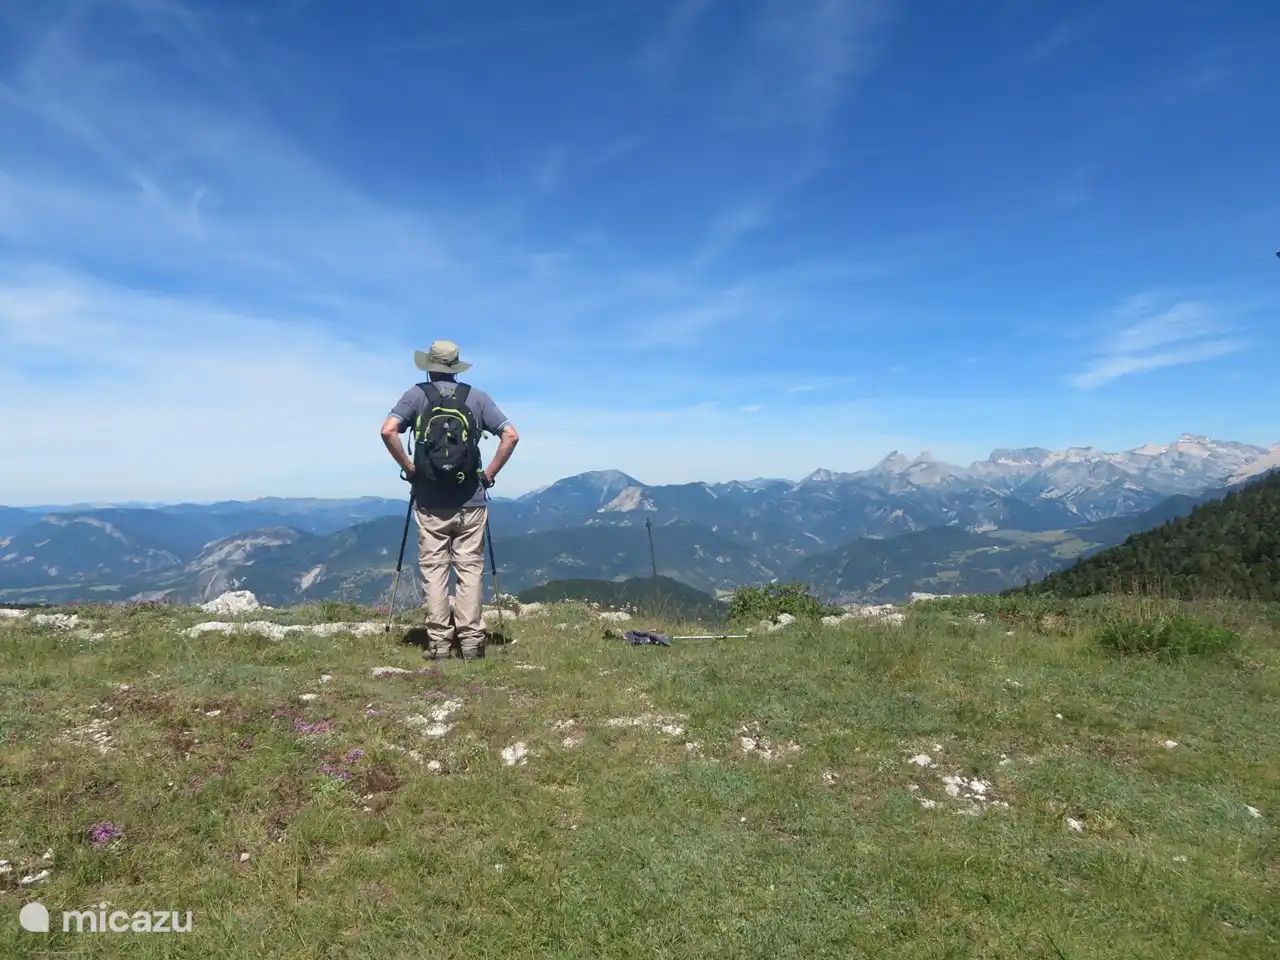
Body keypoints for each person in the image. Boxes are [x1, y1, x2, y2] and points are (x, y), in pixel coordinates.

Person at [380, 340, 519, 661]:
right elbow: (510, 435)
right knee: (469, 569)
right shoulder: (477, 398)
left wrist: (410, 469)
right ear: (456, 367)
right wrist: (488, 475)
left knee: (434, 570)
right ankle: (471, 642)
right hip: (470, 499)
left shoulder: (416, 395)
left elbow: (388, 431)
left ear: (429, 366)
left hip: (430, 500)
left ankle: (440, 644)